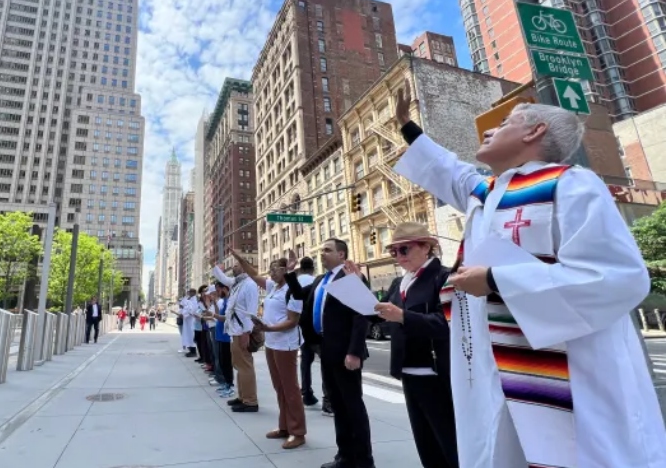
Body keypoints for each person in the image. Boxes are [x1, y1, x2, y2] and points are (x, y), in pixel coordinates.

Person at [392, 81, 666, 467]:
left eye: (504, 122)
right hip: (496, 367)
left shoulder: (570, 184)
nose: (488, 130)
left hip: (571, 368)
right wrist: (407, 124)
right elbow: (447, 169)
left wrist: (496, 281)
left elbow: (620, 276)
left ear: (535, 131)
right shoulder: (485, 194)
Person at [372, 223, 458, 468]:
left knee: (448, 441)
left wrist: (402, 316)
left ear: (426, 247)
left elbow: (446, 324)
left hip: (435, 373)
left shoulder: (443, 277)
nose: (399, 256)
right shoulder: (399, 282)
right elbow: (378, 315)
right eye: (394, 252)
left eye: (405, 249)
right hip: (407, 371)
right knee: (425, 442)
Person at [285, 239, 373, 468]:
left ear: (342, 254)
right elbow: (297, 294)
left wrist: (354, 352)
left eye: (327, 250)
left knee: (353, 407)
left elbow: (361, 316)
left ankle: (363, 461)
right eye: (321, 250)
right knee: (337, 405)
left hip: (346, 353)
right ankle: (344, 456)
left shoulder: (351, 277)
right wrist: (290, 272)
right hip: (325, 349)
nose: (321, 254)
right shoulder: (320, 280)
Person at [232, 249, 307, 449]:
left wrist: (267, 328)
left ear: (286, 270)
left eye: (276, 269)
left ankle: (298, 432)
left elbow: (292, 321)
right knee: (279, 387)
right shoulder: (273, 287)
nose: (271, 272)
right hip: (272, 343)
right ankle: (284, 427)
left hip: (286, 345)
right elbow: (253, 274)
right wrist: (240, 257)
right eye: (271, 269)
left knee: (291, 389)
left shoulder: (293, 289)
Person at [211, 258, 260, 413]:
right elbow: (223, 278)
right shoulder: (237, 283)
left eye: (237, 264)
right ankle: (242, 397)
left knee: (245, 366)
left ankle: (251, 401)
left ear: (245, 267)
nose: (233, 267)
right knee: (239, 366)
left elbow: (251, 311)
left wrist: (247, 332)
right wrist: (214, 265)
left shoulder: (250, 284)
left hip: (242, 332)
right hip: (234, 331)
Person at [296, 257, 330, 415]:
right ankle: (327, 400)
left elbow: (293, 294)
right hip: (316, 330)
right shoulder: (317, 280)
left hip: (305, 330)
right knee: (326, 365)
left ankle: (306, 393)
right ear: (313, 267)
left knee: (306, 362)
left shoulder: (310, 280)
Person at [203, 282, 235, 397]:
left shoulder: (229, 301)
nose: (217, 292)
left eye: (218, 290)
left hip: (226, 336)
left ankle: (229, 385)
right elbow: (217, 314)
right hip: (220, 334)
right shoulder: (223, 301)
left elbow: (225, 318)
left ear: (225, 289)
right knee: (222, 360)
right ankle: (226, 383)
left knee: (226, 362)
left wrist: (213, 314)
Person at [181, 290, 197, 358]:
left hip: (191, 321)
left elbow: (192, 310)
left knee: (191, 336)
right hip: (187, 321)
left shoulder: (194, 301)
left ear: (193, 293)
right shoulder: (189, 300)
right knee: (188, 336)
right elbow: (183, 305)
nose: (189, 294)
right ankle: (190, 350)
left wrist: (185, 314)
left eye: (190, 292)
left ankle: (193, 351)